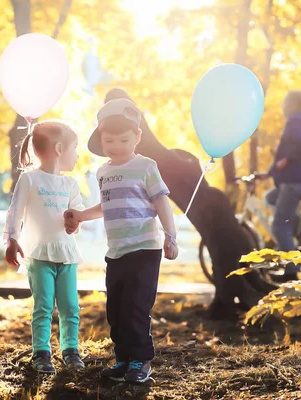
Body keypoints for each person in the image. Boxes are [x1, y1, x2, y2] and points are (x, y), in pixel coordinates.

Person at [63, 98, 178, 384]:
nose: (115, 145)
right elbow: (105, 206)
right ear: (101, 140)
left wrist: (170, 236)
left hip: (144, 249)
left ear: (137, 137)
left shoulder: (146, 166)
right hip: (116, 251)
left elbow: (161, 202)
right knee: (116, 307)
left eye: (123, 139)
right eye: (109, 140)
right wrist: (79, 216)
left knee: (136, 306)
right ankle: (124, 358)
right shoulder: (103, 172)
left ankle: (141, 361)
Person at [4, 120, 86, 373]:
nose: (77, 154)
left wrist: (75, 223)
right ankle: (41, 352)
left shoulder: (70, 184)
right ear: (59, 148)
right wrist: (11, 240)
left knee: (70, 306)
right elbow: (14, 212)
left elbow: (78, 213)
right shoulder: (30, 179)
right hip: (39, 255)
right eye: (74, 148)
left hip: (66, 254)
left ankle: (70, 350)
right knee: (43, 305)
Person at [267, 90, 301, 281]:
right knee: (270, 197)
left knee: (278, 227)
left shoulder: (296, 121)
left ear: (293, 104)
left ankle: (292, 271)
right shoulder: (298, 122)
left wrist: (286, 160)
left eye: (285, 102)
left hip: (298, 182)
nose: (282, 106)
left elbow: (300, 146)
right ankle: (296, 225)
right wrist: (269, 171)